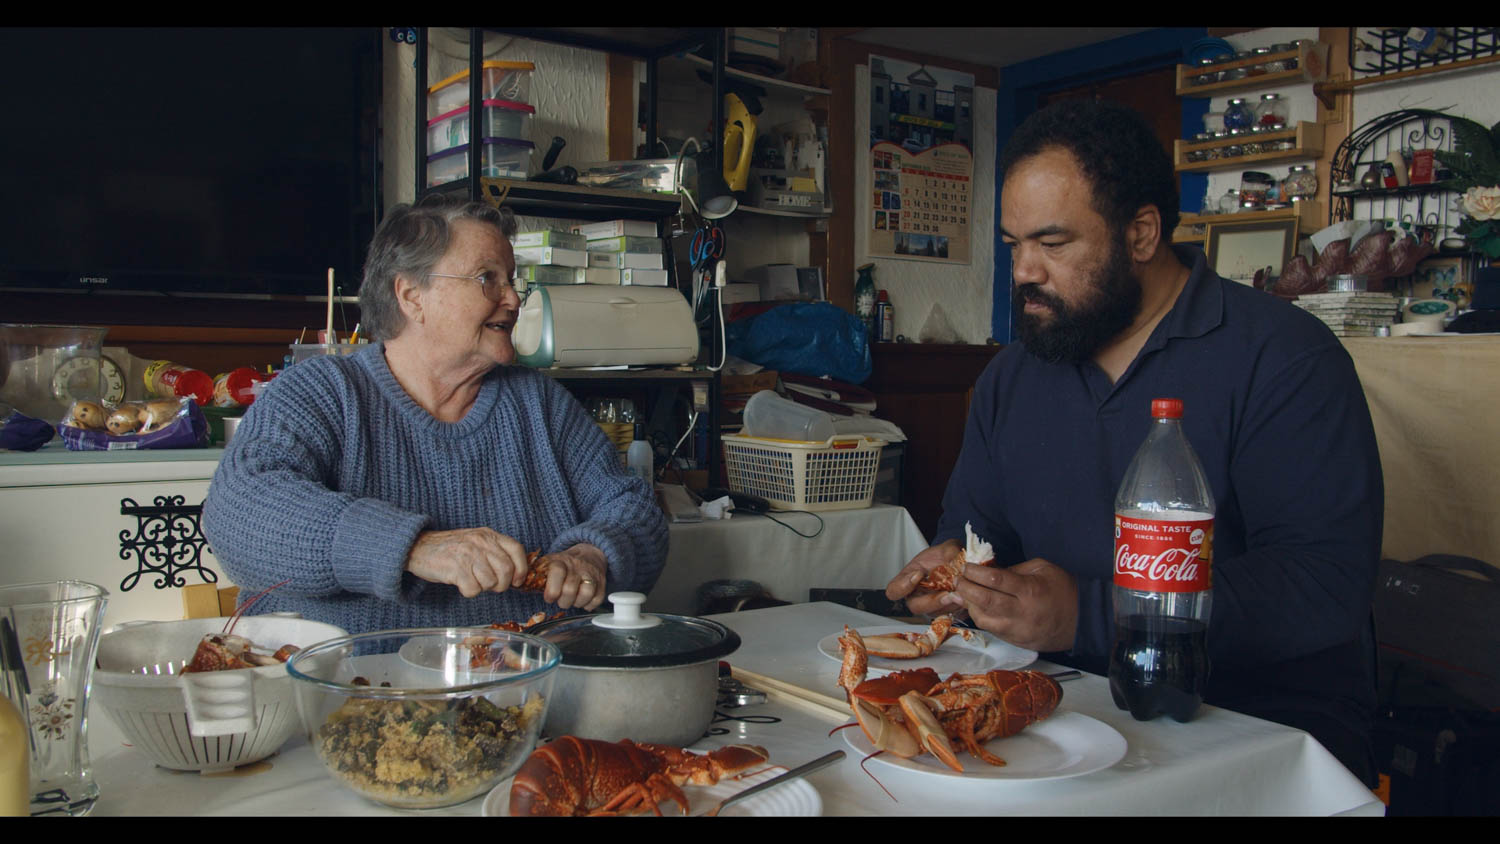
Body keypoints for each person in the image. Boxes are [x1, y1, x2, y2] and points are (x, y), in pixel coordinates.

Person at [885, 99, 1383, 786]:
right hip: (1057, 708)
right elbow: (978, 529)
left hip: (1254, 723)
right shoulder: (1012, 375)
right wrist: (958, 574)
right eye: (1013, 244)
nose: (1024, 270)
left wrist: (1091, 615)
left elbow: (1322, 584)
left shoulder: (1284, 358)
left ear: (1142, 234)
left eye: (1052, 243)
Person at [203, 194, 668, 634]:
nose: (512, 299)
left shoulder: (540, 403)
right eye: (487, 278)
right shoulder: (322, 392)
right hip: (352, 679)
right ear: (412, 296)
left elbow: (633, 507)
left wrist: (593, 554)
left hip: (534, 674)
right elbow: (238, 512)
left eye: (511, 280)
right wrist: (412, 547)